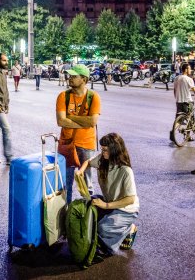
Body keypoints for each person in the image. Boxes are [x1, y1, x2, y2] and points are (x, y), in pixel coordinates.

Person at [76, 133, 139, 255]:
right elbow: (88, 162)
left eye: (105, 150)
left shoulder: (125, 171)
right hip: (109, 202)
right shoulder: (103, 160)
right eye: (102, 149)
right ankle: (117, 225)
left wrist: (105, 206)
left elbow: (130, 199)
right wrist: (81, 171)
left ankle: (128, 228)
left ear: (114, 150)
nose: (102, 152)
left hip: (126, 209)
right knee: (86, 206)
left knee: (103, 229)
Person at [56, 64, 101, 202]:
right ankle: (65, 213)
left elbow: (92, 122)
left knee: (86, 183)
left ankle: (87, 213)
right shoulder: (63, 96)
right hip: (67, 145)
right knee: (65, 183)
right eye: (70, 75)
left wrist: (70, 117)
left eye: (74, 76)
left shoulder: (93, 97)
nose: (70, 78)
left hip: (86, 145)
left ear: (84, 79)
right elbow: (61, 121)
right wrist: (84, 122)